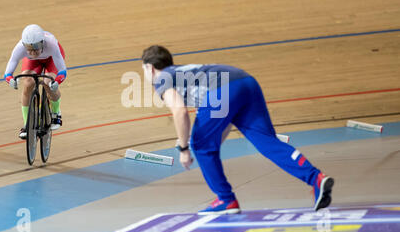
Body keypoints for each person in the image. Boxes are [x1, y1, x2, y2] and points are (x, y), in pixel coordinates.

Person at [141, 45, 334, 215]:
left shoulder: (162, 77)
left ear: (149, 67)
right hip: (246, 81)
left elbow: (180, 112)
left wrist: (185, 149)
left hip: (222, 90)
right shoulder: (186, 74)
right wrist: (208, 144)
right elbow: (222, 121)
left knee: (199, 145)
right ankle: (316, 178)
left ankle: (226, 199)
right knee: (267, 142)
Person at [4, 24, 67, 139]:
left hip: (52, 59)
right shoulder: (20, 48)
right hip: (33, 62)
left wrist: (57, 81)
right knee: (28, 82)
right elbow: (8, 71)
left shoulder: (51, 44)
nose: (33, 52)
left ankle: (56, 112)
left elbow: (62, 71)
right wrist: (10, 80)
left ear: (42, 43)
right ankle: (27, 124)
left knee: (48, 82)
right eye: (29, 48)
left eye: (36, 47)